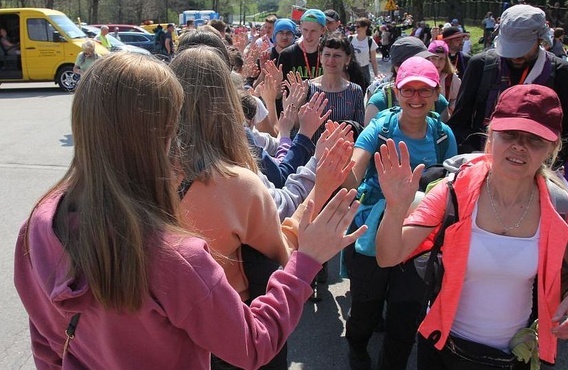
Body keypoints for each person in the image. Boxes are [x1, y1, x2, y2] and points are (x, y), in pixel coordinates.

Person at [13, 51, 364, 369]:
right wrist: (308, 261)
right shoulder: (176, 256)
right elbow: (253, 345)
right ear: (161, 133)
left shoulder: (37, 225)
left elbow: (46, 343)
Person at [375, 84, 568, 369]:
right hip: (444, 347)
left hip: (517, 355)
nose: (519, 146)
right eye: (510, 134)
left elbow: (563, 272)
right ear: (491, 135)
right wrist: (395, 207)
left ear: (552, 148)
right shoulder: (454, 192)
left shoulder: (560, 207)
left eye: (534, 139)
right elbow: (388, 256)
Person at [342, 56, 457, 370]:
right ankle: (357, 347)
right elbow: (354, 169)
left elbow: (452, 188)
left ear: (436, 94)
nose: (416, 98)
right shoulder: (380, 129)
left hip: (420, 235)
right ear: (397, 90)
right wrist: (338, 167)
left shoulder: (444, 135)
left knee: (406, 315)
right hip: (372, 231)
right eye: (409, 90)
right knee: (367, 304)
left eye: (424, 91)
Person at [448, 4, 568, 165]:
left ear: (540, 39)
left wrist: (546, 165)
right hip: (482, 162)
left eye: (523, 48)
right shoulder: (481, 65)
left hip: (536, 167)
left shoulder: (560, 72)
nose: (516, 55)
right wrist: (475, 159)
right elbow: (459, 122)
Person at [307, 32, 365, 140]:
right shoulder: (307, 88)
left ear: (347, 59)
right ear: (320, 57)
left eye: (337, 55)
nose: (331, 60)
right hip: (310, 154)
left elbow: (359, 129)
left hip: (341, 153)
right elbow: (296, 127)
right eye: (327, 54)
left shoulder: (355, 91)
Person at [277, 9, 326, 80]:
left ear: (323, 30)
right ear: (300, 27)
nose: (308, 35)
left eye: (313, 31)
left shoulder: (329, 55)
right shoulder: (287, 54)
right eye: (305, 30)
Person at [427, 40, 461, 122]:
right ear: (428, 59)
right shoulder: (420, 76)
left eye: (441, 59)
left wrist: (450, 110)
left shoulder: (451, 79)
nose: (437, 63)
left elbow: (457, 98)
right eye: (433, 58)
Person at [350, 17, 379, 85]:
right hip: (351, 70)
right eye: (355, 26)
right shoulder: (350, 39)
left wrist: (376, 76)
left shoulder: (370, 41)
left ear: (365, 27)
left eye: (358, 26)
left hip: (364, 70)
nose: (356, 28)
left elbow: (373, 60)